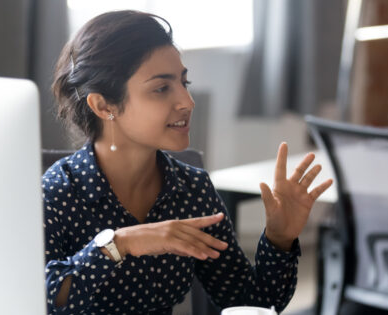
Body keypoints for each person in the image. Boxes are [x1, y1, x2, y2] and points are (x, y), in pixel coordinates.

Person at [43, 10, 333, 315]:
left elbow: (250, 303)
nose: (187, 101)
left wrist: (279, 237)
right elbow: (41, 297)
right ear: (104, 105)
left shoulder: (192, 190)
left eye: (184, 82)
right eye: (161, 88)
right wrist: (120, 244)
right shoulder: (59, 191)